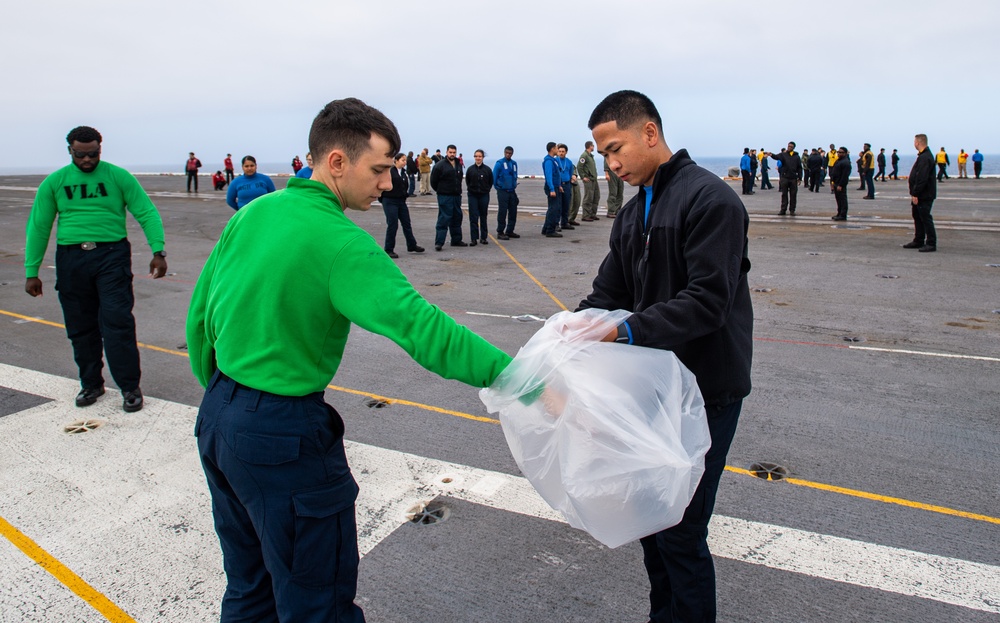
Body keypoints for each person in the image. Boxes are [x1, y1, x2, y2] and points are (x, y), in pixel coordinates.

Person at [186, 97, 513, 622]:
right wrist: (521, 379)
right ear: (337, 162)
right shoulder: (342, 243)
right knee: (317, 604)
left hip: (220, 417)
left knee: (250, 589)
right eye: (380, 169)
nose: (387, 184)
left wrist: (226, 400)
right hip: (281, 434)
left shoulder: (254, 214)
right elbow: (422, 328)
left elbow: (200, 317)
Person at [579, 90, 752, 623]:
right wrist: (571, 332)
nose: (612, 164)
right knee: (652, 524)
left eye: (616, 148)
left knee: (682, 530)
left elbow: (708, 302)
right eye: (604, 154)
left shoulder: (710, 200)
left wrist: (623, 331)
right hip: (652, 387)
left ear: (649, 133)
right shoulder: (633, 215)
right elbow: (605, 294)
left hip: (706, 391)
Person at [24, 125, 167, 413]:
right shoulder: (55, 182)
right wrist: (32, 270)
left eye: (93, 155)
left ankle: (129, 387)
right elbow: (39, 226)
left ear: (100, 149)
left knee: (117, 322)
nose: (88, 160)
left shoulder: (118, 176)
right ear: (70, 151)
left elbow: (146, 212)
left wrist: (158, 250)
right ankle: (91, 383)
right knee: (80, 326)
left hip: (111, 256)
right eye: (81, 155)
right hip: (71, 259)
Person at [379, 153, 424, 258]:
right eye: (403, 160)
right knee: (393, 224)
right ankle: (389, 249)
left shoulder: (404, 172)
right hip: (390, 200)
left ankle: (412, 245)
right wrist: (383, 199)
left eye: (405, 160)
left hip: (401, 201)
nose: (405, 162)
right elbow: (382, 184)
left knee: (407, 223)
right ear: (396, 160)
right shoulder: (390, 171)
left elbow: (405, 186)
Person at [430, 144, 466, 251]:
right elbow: (433, 181)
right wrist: (441, 190)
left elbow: (459, 178)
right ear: (446, 152)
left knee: (457, 217)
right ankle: (439, 242)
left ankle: (456, 240)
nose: (452, 154)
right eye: (450, 152)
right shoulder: (440, 165)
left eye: (454, 152)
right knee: (444, 218)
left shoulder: (458, 164)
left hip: (456, 196)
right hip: (444, 196)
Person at [906, 134, 938, 252]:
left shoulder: (925, 157)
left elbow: (922, 177)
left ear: (918, 143)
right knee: (917, 216)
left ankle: (931, 243)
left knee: (925, 217)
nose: (914, 143)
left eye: (915, 141)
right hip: (921, 193)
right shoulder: (923, 156)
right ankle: (918, 240)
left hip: (924, 194)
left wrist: (916, 193)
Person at [465, 149, 493, 246]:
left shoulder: (487, 170)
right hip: (473, 195)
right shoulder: (470, 169)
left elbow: (490, 182)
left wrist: (485, 190)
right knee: (473, 217)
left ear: (483, 157)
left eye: (479, 156)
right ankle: (474, 238)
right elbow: (467, 181)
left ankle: (484, 237)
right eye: (476, 156)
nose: (478, 158)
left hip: (484, 195)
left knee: (483, 216)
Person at [766, 141, 802, 215]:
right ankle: (783, 209)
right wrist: (771, 154)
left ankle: (792, 210)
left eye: (791, 147)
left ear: (793, 148)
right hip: (785, 177)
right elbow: (776, 157)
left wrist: (800, 178)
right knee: (784, 194)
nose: (789, 148)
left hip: (793, 178)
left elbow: (799, 168)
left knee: (793, 195)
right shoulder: (783, 155)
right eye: (788, 146)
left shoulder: (797, 157)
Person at [493, 146, 520, 239]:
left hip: (512, 191)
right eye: (507, 153)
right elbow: (494, 177)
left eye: (510, 153)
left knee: (513, 211)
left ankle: (510, 230)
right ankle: (500, 231)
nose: (508, 155)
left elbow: (514, 176)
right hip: (502, 191)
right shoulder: (499, 163)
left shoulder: (514, 164)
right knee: (502, 212)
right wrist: (498, 187)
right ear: (504, 153)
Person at [542, 142, 563, 237]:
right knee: (553, 209)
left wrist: (559, 186)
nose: (557, 150)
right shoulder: (548, 161)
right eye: (556, 148)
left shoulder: (553, 160)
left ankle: (546, 228)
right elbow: (549, 176)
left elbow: (557, 174)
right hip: (552, 187)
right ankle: (550, 230)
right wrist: (552, 189)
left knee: (553, 208)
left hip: (555, 186)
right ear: (552, 149)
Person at [578, 141, 601, 222]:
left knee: (596, 196)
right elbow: (579, 167)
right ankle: (586, 215)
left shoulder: (590, 156)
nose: (593, 147)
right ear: (589, 146)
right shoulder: (584, 156)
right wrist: (583, 177)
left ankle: (592, 214)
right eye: (593, 145)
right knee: (588, 197)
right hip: (589, 180)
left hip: (594, 179)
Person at [557, 144, 575, 231]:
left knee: (566, 204)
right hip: (558, 185)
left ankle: (564, 222)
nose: (561, 153)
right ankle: (556, 223)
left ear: (566, 152)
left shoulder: (569, 162)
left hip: (567, 184)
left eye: (563, 151)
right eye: (559, 151)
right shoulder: (556, 161)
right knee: (558, 205)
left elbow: (571, 171)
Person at [830, 147, 852, 220]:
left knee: (842, 200)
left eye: (841, 152)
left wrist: (841, 185)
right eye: (838, 152)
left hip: (840, 184)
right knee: (838, 199)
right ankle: (839, 213)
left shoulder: (845, 162)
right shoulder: (838, 161)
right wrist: (833, 182)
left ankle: (843, 215)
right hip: (836, 182)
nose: (839, 153)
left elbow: (845, 175)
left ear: (845, 153)